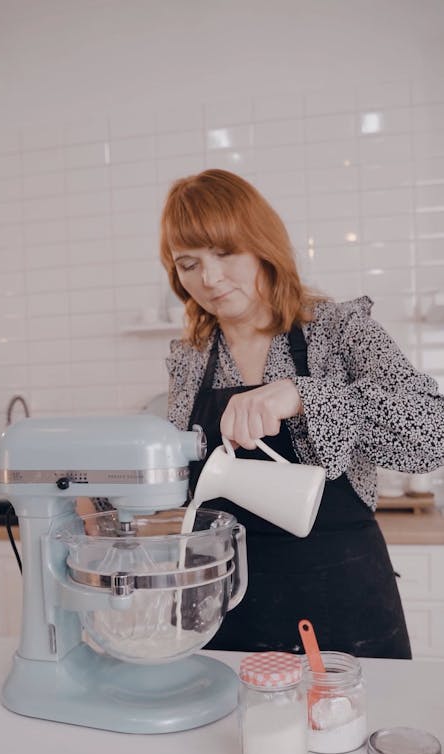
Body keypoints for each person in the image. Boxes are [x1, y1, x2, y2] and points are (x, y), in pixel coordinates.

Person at [159, 168, 444, 658]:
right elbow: (182, 482)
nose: (208, 278)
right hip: (222, 606)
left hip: (341, 604)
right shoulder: (190, 357)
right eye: (189, 264)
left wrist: (303, 395)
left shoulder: (339, 330)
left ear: (262, 245)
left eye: (225, 253)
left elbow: (432, 433)